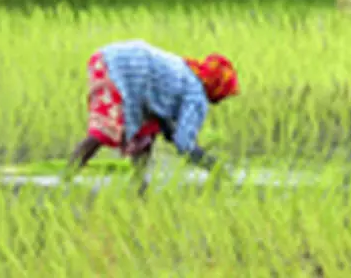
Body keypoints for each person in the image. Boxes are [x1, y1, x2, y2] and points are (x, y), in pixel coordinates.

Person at [66, 40, 239, 193]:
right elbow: (184, 144)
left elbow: (165, 124)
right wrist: (215, 167)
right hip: (120, 69)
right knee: (104, 130)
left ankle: (140, 185)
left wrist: (171, 132)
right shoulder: (197, 95)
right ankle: (65, 179)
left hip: (106, 59)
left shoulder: (184, 72)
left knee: (146, 132)